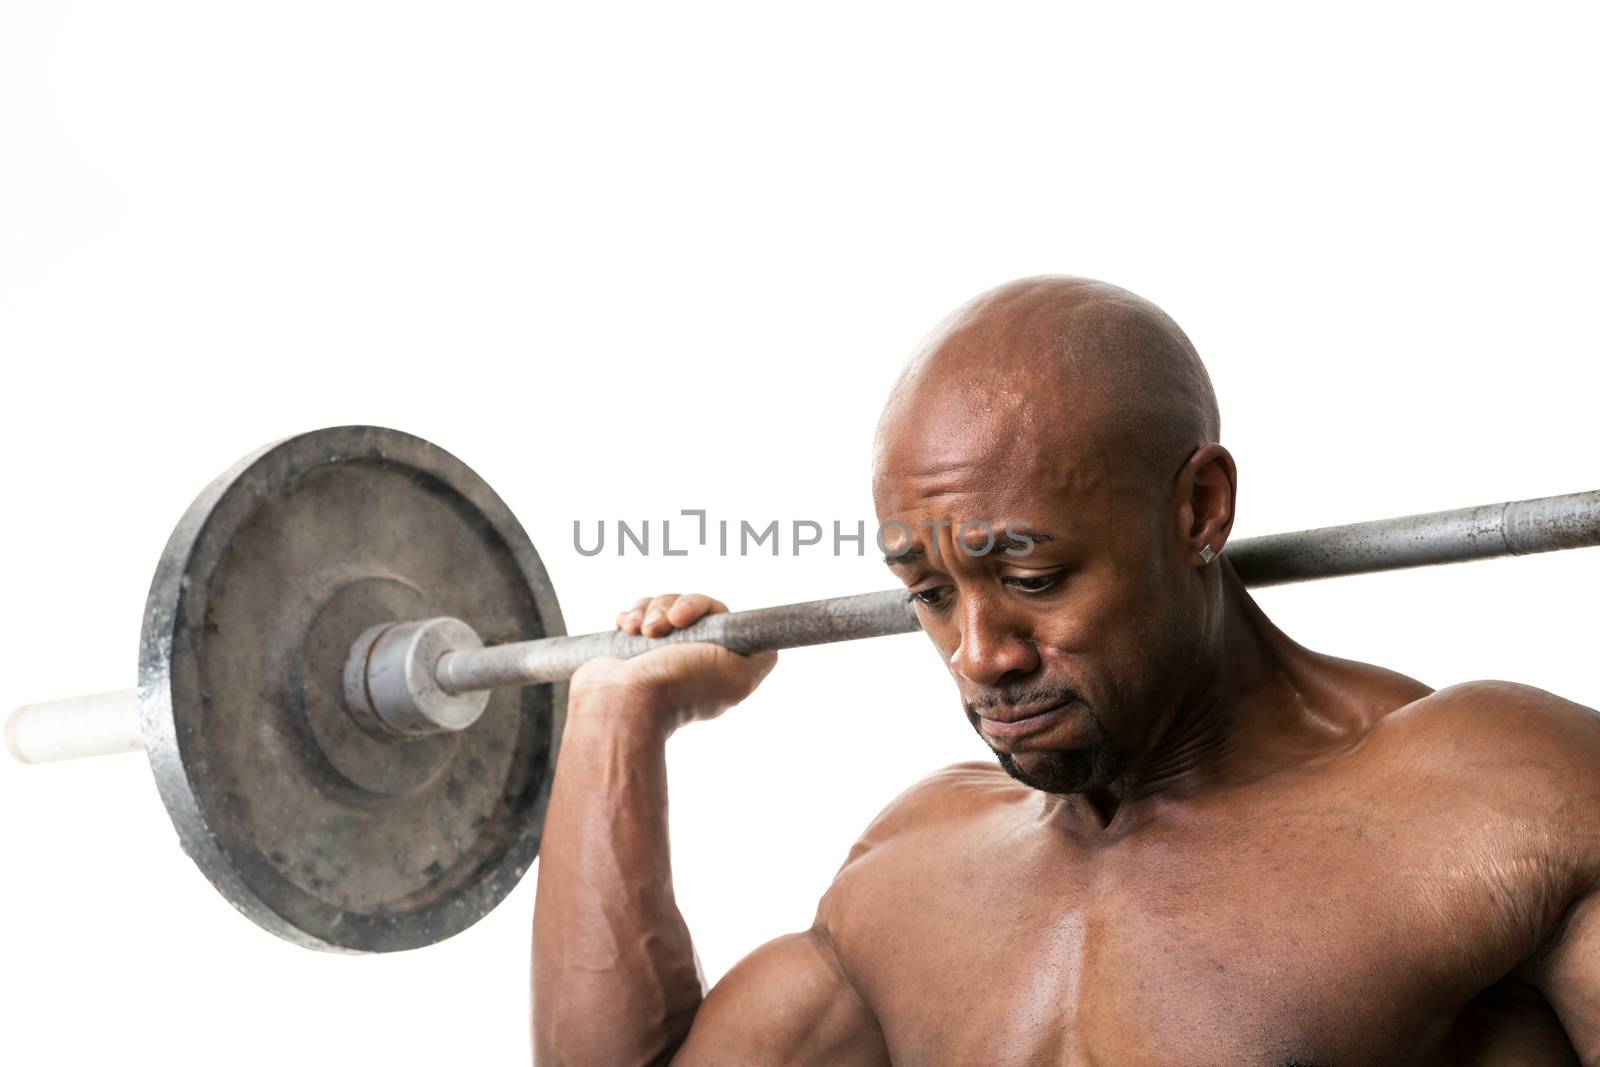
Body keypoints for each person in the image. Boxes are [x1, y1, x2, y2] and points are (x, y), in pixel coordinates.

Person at [530, 277, 1600, 1065]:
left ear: (1197, 510)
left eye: (1033, 576)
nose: (979, 655)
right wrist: (614, 720)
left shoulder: (1495, 800)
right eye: (931, 591)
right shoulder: (915, 873)